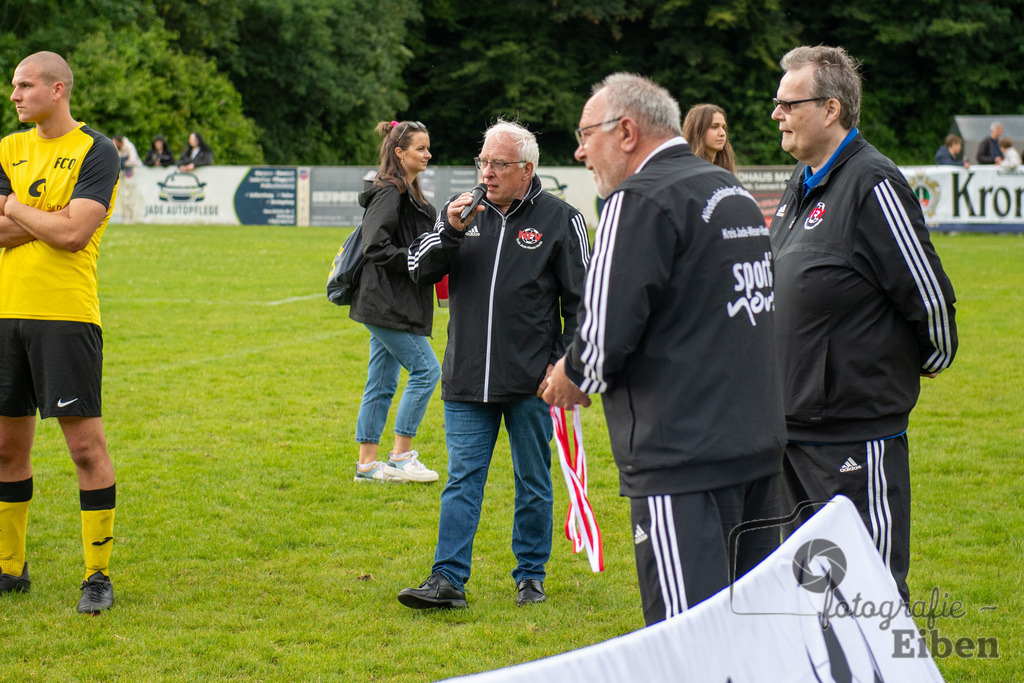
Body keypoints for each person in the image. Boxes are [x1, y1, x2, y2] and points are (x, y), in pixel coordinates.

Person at [543, 73, 786, 626]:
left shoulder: (639, 200)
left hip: (683, 460)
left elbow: (601, 338)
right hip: (756, 448)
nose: (580, 152)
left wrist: (569, 374)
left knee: (689, 641)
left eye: (585, 135)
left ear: (626, 131)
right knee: (751, 636)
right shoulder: (734, 195)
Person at [768, 45, 957, 603]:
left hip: (854, 438)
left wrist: (888, 379)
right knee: (809, 596)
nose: (775, 113)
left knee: (867, 598)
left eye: (787, 102)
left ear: (830, 109)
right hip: (791, 435)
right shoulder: (800, 185)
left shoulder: (873, 183)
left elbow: (929, 301)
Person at [398, 119, 590, 609]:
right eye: (482, 161)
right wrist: (449, 233)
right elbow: (420, 270)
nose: (486, 173)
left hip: (532, 381)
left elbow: (584, 302)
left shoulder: (560, 219)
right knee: (463, 478)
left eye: (498, 164)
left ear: (526, 169)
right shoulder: (460, 214)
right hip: (465, 377)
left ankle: (530, 575)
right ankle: (448, 580)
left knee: (533, 480)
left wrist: (565, 365)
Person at [0, 51, 121, 614]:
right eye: (14, 87)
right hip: (6, 314)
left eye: (24, 86)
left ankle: (97, 575)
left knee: (83, 447)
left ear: (57, 88)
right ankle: (9, 569)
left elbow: (74, 234)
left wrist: (15, 207)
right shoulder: (6, 147)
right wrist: (42, 213)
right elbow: (4, 235)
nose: (14, 95)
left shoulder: (96, 151)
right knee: (6, 447)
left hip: (67, 316)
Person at [349, 121, 441, 484]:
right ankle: (401, 457)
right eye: (421, 148)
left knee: (382, 382)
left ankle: (367, 467)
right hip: (385, 302)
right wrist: (414, 259)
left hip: (390, 302)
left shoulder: (407, 190)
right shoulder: (389, 191)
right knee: (427, 371)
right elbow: (375, 245)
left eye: (428, 148)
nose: (428, 154)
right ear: (400, 153)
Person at [682, 102, 737, 173]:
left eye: (724, 127)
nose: (722, 133)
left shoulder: (726, 170)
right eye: (714, 127)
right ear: (697, 131)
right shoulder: (685, 171)